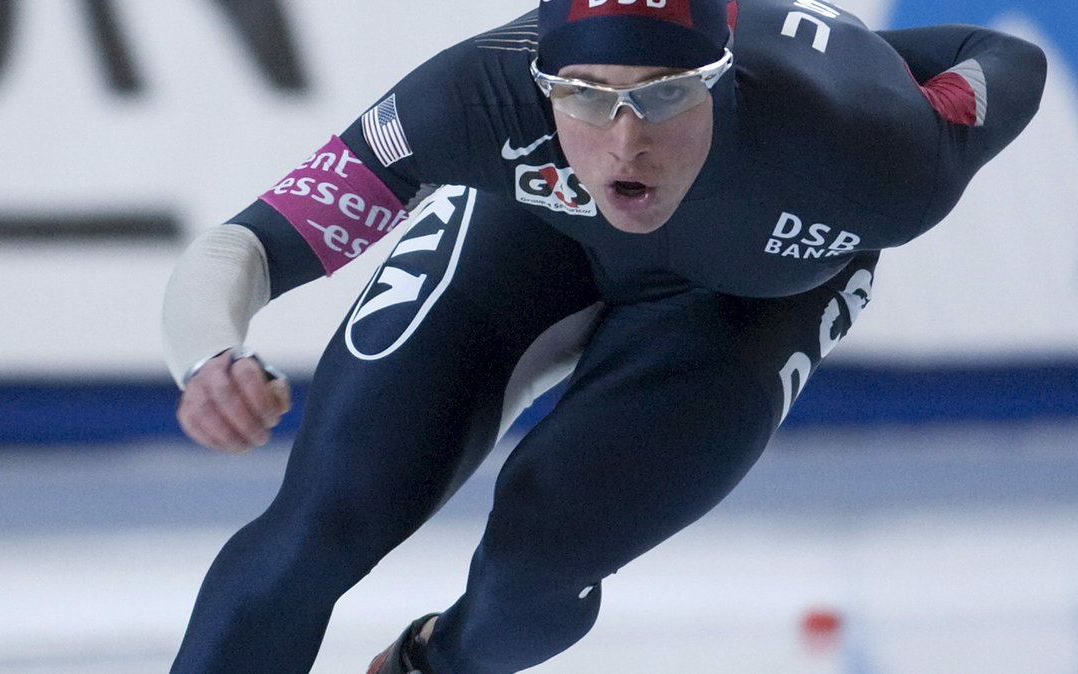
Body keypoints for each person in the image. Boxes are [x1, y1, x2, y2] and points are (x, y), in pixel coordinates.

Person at [161, 0, 1047, 671]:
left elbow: (1006, 58)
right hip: (532, 236)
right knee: (328, 515)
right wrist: (209, 356)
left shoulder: (875, 151)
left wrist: (880, 67)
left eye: (665, 98)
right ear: (540, 80)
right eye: (584, 98)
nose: (626, 144)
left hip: (744, 300)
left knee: (539, 562)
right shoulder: (470, 97)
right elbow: (251, 243)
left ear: (725, 77)